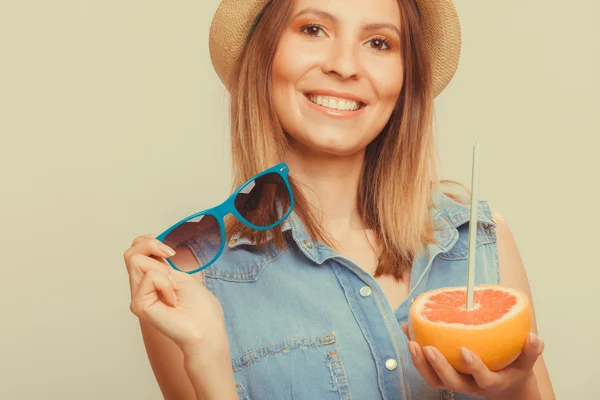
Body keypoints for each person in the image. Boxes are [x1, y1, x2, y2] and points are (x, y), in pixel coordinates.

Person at [123, 0, 556, 398]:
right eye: (313, 30)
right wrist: (206, 360)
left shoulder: (483, 242)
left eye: (379, 42)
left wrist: (514, 390)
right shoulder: (188, 280)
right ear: (265, 54)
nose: (345, 66)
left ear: (405, 79)